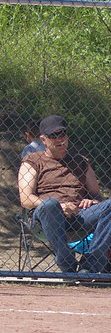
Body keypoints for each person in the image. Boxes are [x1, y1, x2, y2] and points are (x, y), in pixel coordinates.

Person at [18, 114, 111, 274]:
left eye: (62, 134)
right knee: (50, 204)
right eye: (54, 135)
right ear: (43, 139)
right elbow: (26, 199)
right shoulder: (32, 161)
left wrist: (92, 201)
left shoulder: (80, 161)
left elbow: (97, 195)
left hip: (79, 215)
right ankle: (66, 263)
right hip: (47, 218)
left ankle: (90, 265)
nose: (60, 139)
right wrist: (59, 206)